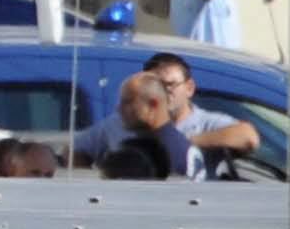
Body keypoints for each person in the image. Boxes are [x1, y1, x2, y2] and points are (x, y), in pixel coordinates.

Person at [70, 54, 258, 177]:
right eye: (155, 85)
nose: (163, 92)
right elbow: (74, 150)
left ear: (189, 88)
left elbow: (248, 137)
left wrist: (183, 143)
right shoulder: (118, 123)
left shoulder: (207, 122)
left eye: (169, 85)